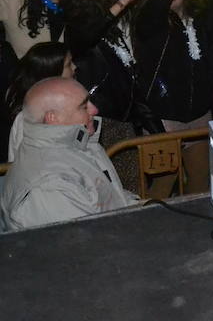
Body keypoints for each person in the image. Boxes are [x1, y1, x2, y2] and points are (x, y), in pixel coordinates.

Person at [1, 77, 138, 231]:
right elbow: (84, 245)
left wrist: (143, 207)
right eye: (83, 106)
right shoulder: (50, 188)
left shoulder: (77, 146)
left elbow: (111, 199)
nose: (94, 110)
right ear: (53, 118)